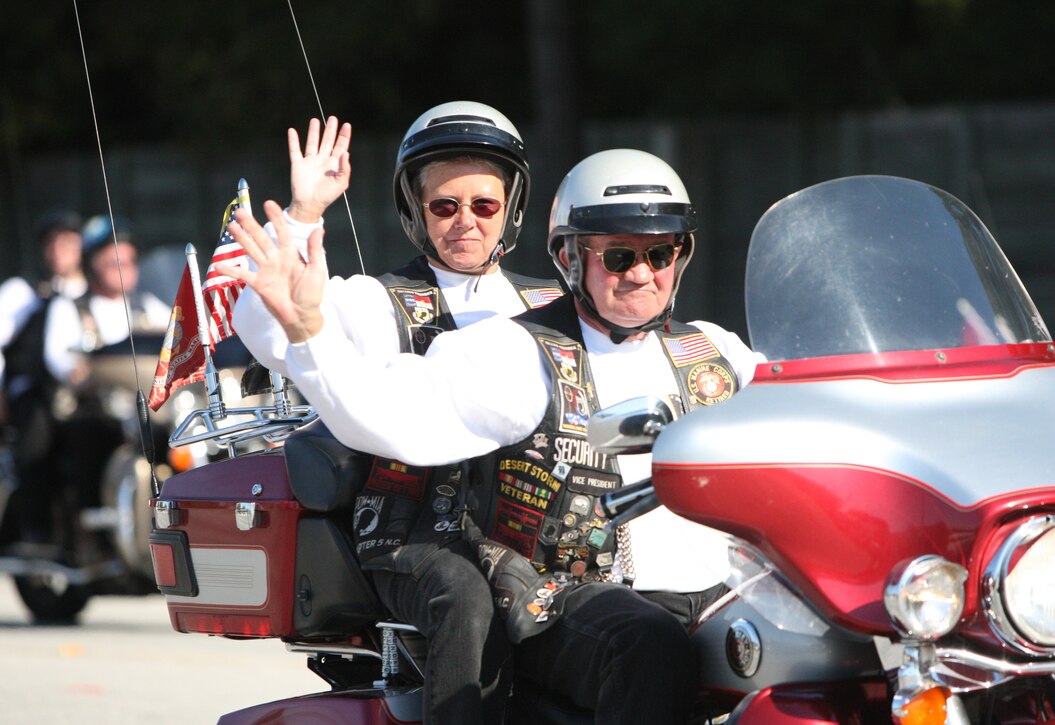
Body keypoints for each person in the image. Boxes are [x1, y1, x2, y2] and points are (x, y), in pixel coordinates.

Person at [220, 148, 765, 724]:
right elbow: (384, 410)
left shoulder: (716, 350)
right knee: (485, 602)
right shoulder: (511, 347)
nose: (640, 272)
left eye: (659, 252)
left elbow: (814, 400)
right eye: (620, 254)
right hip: (551, 578)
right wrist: (308, 319)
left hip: (723, 585)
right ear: (571, 256)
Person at [232, 102, 563, 725]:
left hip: (538, 532)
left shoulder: (552, 305)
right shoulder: (374, 303)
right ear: (416, 210)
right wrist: (304, 215)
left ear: (511, 208)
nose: (465, 223)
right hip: (411, 534)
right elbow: (265, 324)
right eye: (444, 206)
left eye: (484, 206)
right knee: (463, 592)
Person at [41, 215, 171, 510]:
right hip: (98, 409)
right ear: (92, 265)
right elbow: (58, 357)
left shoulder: (146, 305)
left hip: (149, 411)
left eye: (129, 263)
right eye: (114, 264)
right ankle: (94, 523)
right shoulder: (71, 307)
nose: (123, 271)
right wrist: (78, 372)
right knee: (88, 435)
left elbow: (177, 335)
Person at [0, 210, 87, 540]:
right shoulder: (23, 292)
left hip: (82, 393)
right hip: (34, 392)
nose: (58, 252)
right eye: (51, 244)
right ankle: (35, 527)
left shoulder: (93, 293)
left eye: (66, 243)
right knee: (38, 432)